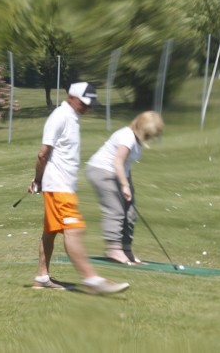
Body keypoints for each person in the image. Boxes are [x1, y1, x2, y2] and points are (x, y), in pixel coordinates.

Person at [28, 82, 130, 295]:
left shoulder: (72, 117)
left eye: (90, 104)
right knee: (74, 230)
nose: (88, 108)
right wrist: (38, 180)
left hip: (60, 186)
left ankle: (42, 276)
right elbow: (42, 153)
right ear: (72, 97)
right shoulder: (60, 116)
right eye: (85, 103)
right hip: (58, 186)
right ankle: (92, 280)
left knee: (51, 232)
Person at [86, 111, 164, 265]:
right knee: (116, 210)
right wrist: (124, 185)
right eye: (148, 134)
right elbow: (118, 162)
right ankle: (113, 249)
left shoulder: (137, 141)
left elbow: (125, 166)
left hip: (117, 173)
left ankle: (126, 250)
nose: (149, 138)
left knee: (130, 212)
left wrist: (129, 188)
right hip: (101, 170)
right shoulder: (127, 136)